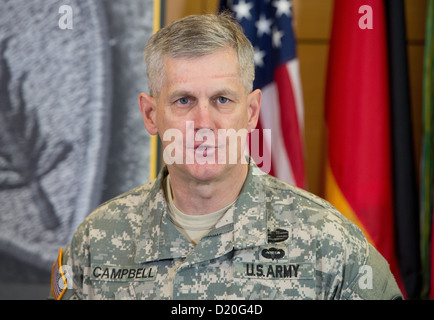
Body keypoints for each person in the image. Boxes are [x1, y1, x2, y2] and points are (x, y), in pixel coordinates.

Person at [50, 13, 403, 300]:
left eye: (222, 99)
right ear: (150, 114)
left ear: (251, 112)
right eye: (183, 100)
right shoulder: (95, 244)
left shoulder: (331, 244)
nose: (204, 123)